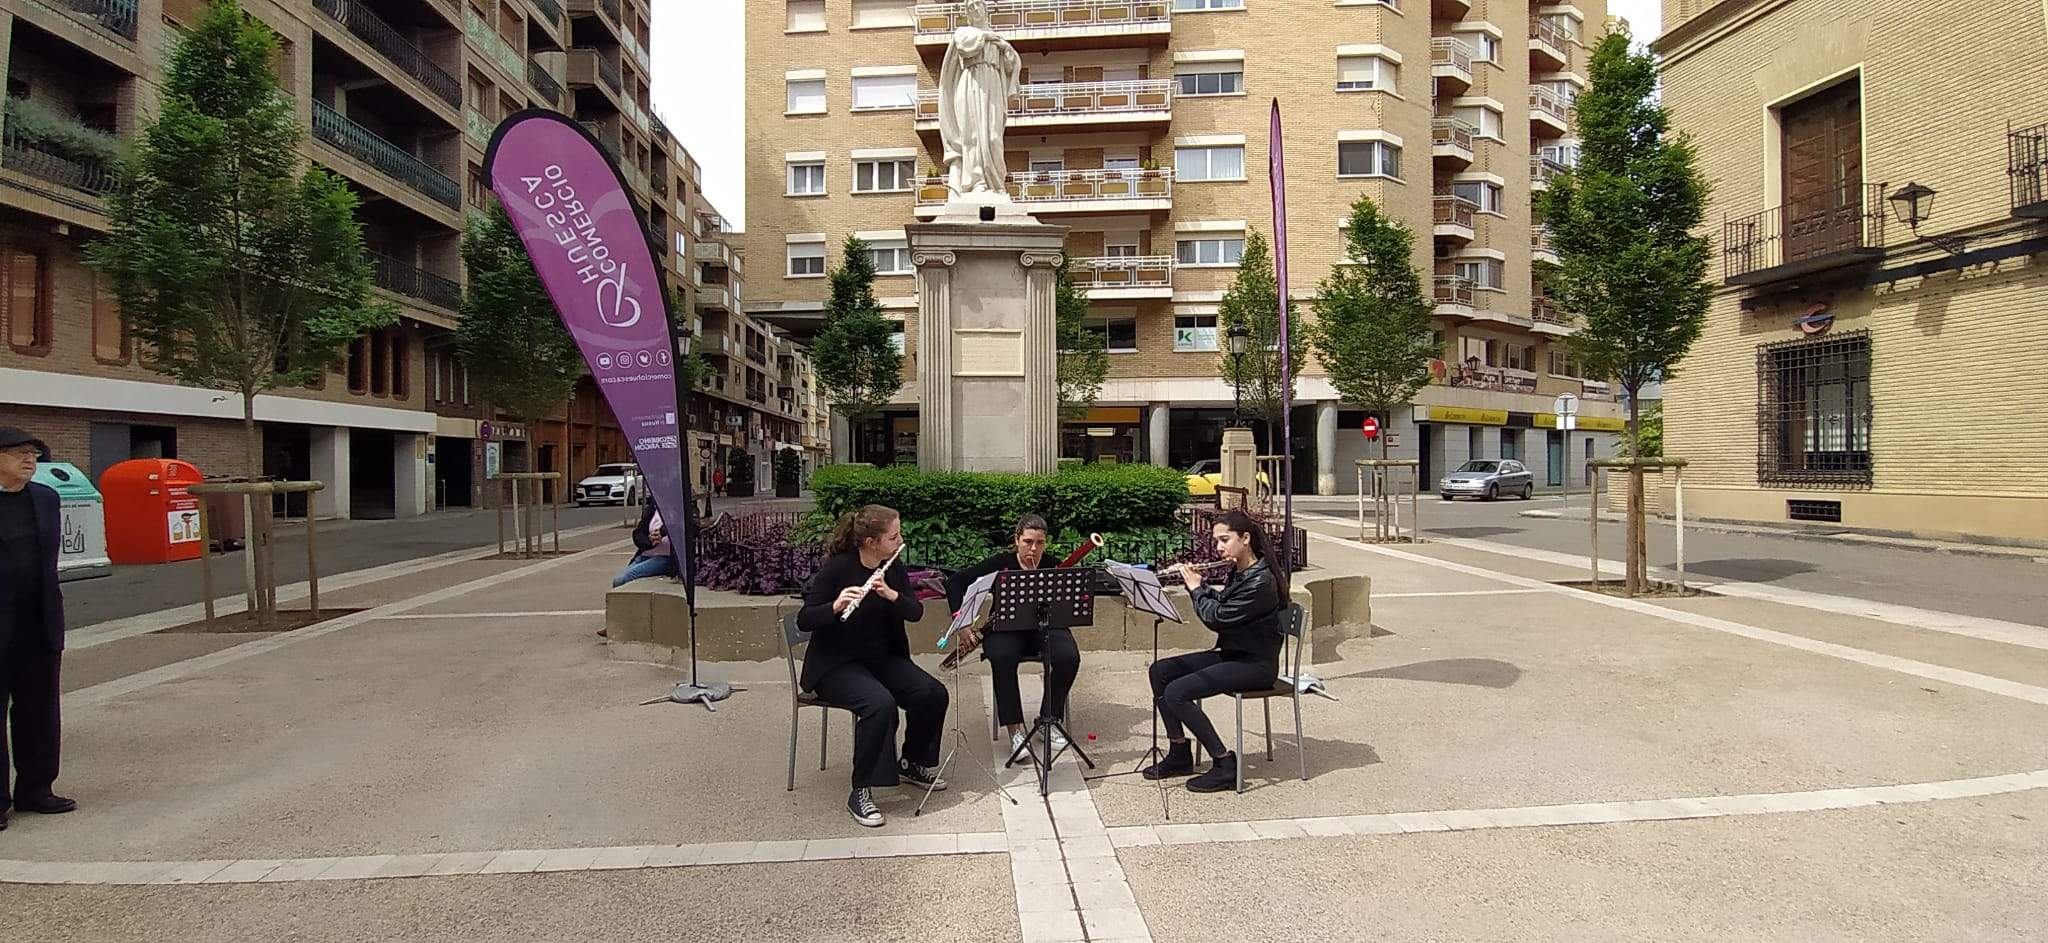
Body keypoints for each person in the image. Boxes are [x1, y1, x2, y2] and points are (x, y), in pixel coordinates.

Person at [798, 505, 949, 828]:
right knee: (879, 704)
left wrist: (892, 595)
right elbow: (805, 618)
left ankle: (912, 761)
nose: (900, 540)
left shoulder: (890, 568)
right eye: (893, 536)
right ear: (870, 541)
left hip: (881, 658)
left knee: (932, 693)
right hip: (836, 663)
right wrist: (835, 605)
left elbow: (915, 612)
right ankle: (861, 790)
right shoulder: (837, 569)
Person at [1141, 509, 1286, 793]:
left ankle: (1224, 763)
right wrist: (1203, 585)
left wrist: (1196, 589)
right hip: (1233, 653)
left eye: (1224, 539)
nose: (1219, 547)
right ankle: (1179, 751)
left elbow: (1216, 618)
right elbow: (1223, 604)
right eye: (1216, 540)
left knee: (1176, 692)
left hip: (1255, 664)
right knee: (1160, 671)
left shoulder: (1260, 581)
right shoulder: (1241, 572)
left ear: (1245, 539)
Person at [944, 515, 1077, 755]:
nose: (1033, 549)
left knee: (1069, 657)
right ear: (1016, 540)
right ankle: (1015, 731)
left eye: (1039, 543)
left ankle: (1049, 719)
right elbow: (954, 582)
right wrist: (961, 623)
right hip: (1004, 628)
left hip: (1046, 627)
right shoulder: (1000, 563)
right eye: (1027, 542)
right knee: (1001, 657)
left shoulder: (1053, 564)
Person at [0, 427, 76, 830]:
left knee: (39, 708)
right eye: (17, 454)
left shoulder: (46, 498)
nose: (29, 460)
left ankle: (36, 788)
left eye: (32, 454)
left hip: (38, 621)